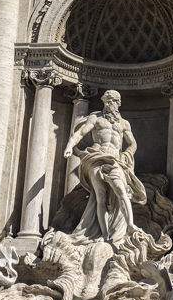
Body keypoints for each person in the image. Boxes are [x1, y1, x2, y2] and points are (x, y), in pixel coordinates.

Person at [62, 89, 147, 244]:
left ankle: (130, 225)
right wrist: (69, 146)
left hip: (115, 160)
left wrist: (126, 154)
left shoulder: (124, 123)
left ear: (118, 102)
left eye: (112, 101)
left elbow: (133, 143)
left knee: (121, 189)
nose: (109, 104)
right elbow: (81, 133)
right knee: (100, 195)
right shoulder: (96, 118)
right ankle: (105, 235)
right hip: (97, 157)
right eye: (107, 101)